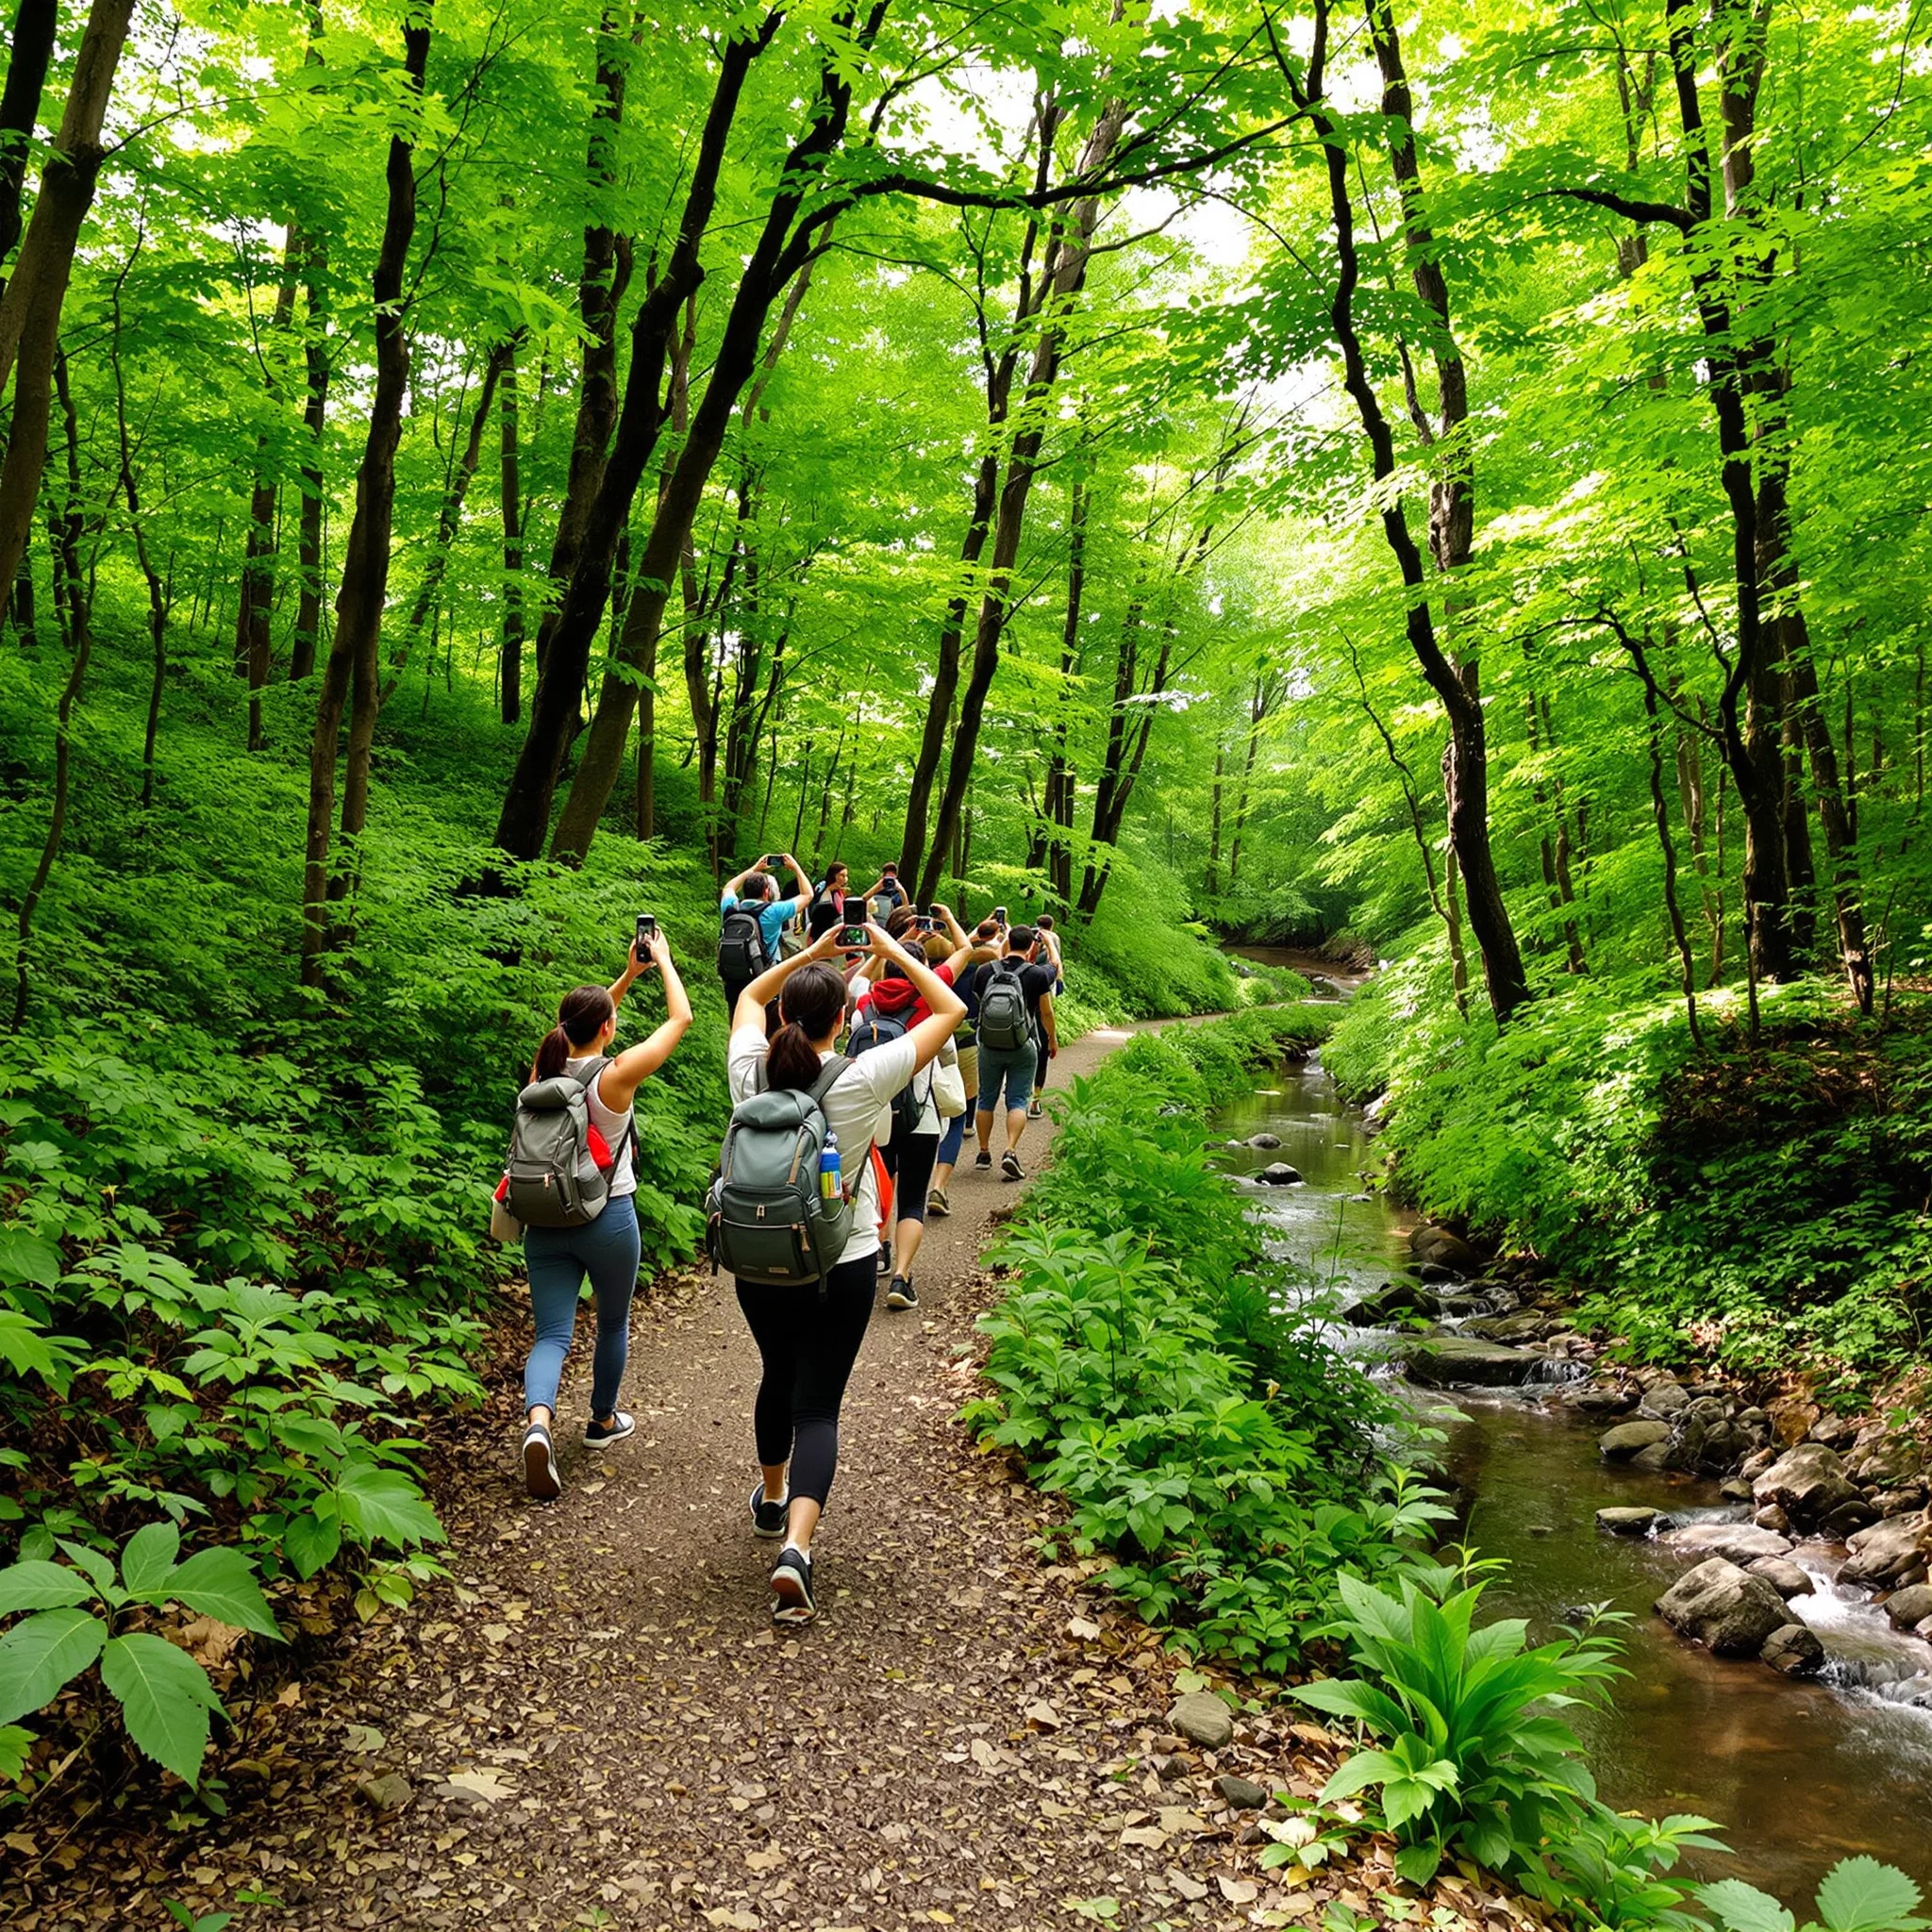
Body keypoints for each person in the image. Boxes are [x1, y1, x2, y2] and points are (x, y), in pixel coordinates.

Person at [726, 924, 965, 1624]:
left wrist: (810, 954)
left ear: (783, 1018)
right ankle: (796, 1549)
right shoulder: (863, 1076)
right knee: (819, 1406)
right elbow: (950, 1010)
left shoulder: (750, 1072)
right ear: (846, 1017)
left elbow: (746, 996)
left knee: (777, 1373)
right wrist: (890, 952)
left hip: (760, 1260)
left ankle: (770, 1501)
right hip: (846, 1258)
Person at [520, 929, 692, 1502]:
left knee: (551, 1334)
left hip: (544, 1219)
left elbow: (581, 1028)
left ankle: (539, 1424)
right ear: (608, 1029)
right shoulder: (615, 1077)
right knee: (612, 1323)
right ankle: (600, 1421)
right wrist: (661, 963)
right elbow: (680, 1020)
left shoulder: (539, 1076)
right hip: (607, 1216)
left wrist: (623, 980)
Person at [850, 905, 980, 1307]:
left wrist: (882, 948)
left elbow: (855, 979)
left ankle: (879, 1251)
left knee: (877, 1188)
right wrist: (945, 925)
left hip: (874, 1116)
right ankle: (902, 1278)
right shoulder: (930, 1006)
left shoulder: (863, 1002)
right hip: (920, 1115)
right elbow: (964, 952)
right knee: (911, 1198)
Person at [973, 923, 1058, 1181]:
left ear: (1006, 942)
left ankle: (983, 1153)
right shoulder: (1037, 974)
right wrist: (1052, 1039)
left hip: (989, 1045)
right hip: (1023, 1044)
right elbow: (1046, 1012)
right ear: (1032, 945)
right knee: (1018, 1099)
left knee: (986, 1098)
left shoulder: (984, 971)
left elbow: (981, 1006)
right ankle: (1009, 1150)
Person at [929, 918, 1000, 1216]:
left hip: (919, 1043)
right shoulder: (967, 967)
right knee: (959, 1106)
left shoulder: (913, 972)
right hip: (963, 1037)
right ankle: (939, 1185)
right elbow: (988, 954)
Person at [718, 853, 810, 1020]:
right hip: (765, 977)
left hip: (733, 977)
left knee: (737, 1021)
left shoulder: (730, 907)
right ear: (767, 891)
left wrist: (754, 869)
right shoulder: (774, 911)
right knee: (767, 1022)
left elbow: (728, 888)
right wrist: (796, 868)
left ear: (745, 891)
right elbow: (807, 895)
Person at [1028, 913, 1066, 1119]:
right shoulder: (1054, 938)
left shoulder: (1029, 939)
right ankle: (1035, 1100)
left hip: (1023, 1008)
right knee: (1042, 1053)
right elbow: (1056, 965)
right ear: (1052, 925)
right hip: (1043, 998)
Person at [805, 861, 851, 941]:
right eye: (842, 875)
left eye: (846, 876)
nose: (845, 879)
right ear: (834, 875)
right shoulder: (823, 886)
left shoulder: (839, 892)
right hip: (820, 928)